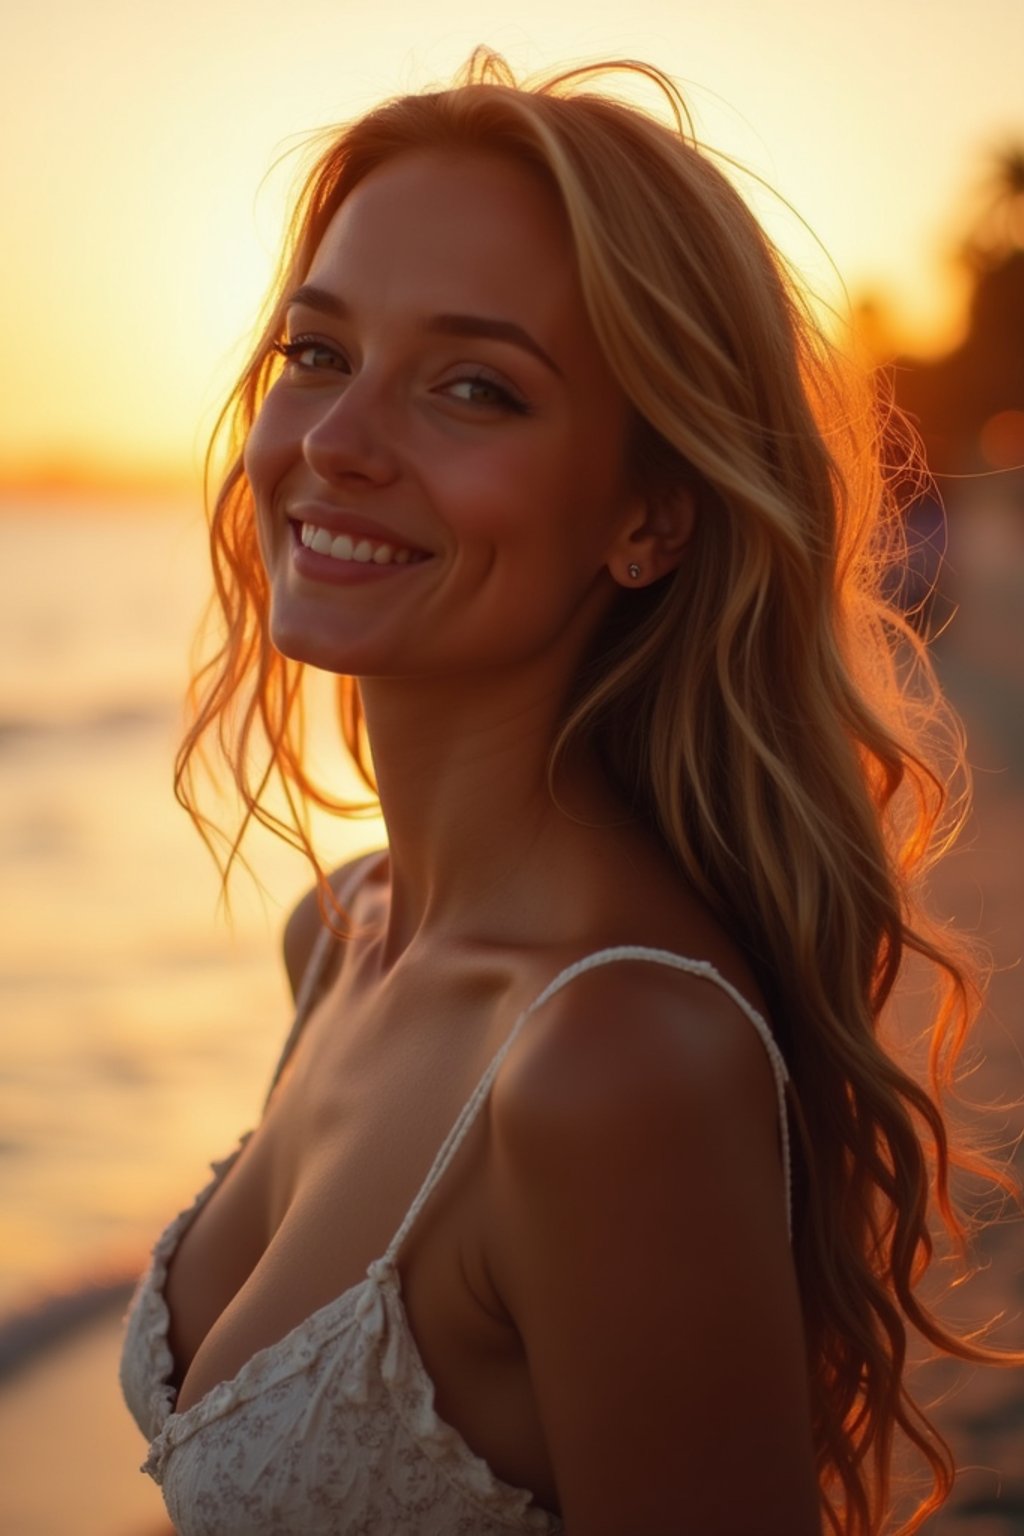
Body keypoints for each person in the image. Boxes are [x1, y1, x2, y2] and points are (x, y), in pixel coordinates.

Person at [120, 50, 1014, 1536]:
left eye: (474, 388)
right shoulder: (342, 932)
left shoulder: (617, 1063)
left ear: (652, 514)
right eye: (316, 353)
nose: (335, 445)